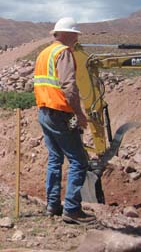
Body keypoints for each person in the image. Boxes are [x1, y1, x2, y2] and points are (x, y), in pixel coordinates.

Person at [33, 17, 96, 224]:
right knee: (79, 161)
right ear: (68, 34)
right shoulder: (64, 53)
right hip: (60, 112)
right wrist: (79, 114)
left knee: (55, 159)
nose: (77, 38)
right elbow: (69, 86)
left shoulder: (44, 53)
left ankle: (52, 205)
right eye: (76, 34)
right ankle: (71, 209)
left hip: (44, 111)